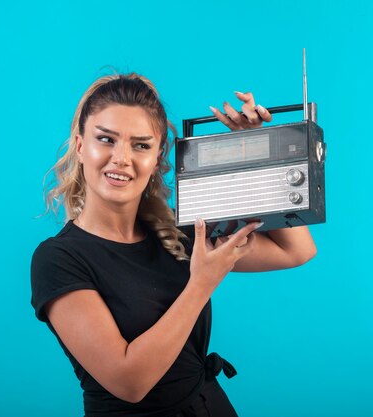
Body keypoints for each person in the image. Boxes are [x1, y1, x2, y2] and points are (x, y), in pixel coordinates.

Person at [30, 73, 317, 416]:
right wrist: (201, 284)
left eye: (140, 145)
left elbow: (296, 249)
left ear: (156, 158)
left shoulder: (177, 231)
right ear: (80, 146)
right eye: (106, 139)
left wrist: (257, 147)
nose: (121, 158)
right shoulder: (58, 259)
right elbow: (129, 383)